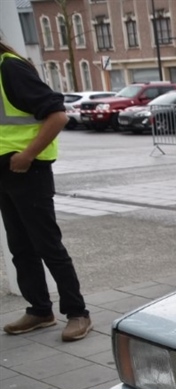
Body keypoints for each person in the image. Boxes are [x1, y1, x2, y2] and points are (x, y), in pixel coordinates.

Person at [0, 39, 91, 342]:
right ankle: (40, 311)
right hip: (5, 173)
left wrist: (27, 155)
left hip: (27, 171)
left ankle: (78, 313)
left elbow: (58, 115)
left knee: (48, 245)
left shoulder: (11, 69)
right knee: (20, 247)